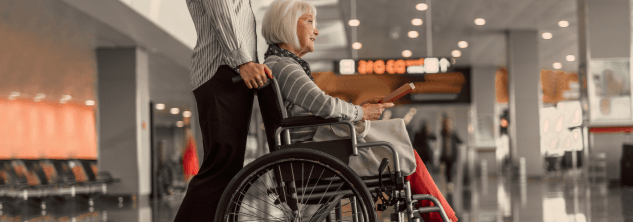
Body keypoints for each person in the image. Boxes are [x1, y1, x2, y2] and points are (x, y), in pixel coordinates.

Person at [260, 1, 458, 221]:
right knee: (404, 154)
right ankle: (445, 218)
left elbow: (319, 106)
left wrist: (360, 109)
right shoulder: (285, 67)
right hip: (320, 153)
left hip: (316, 150)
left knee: (405, 156)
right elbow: (325, 106)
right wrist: (361, 112)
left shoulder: (278, 64)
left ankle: (444, 218)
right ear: (287, 24)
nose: (316, 30)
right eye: (309, 22)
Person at [174, 0, 273, 221]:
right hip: (223, 70)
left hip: (230, 72)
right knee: (220, 167)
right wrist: (244, 61)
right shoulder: (237, 64)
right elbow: (223, 11)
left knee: (226, 169)